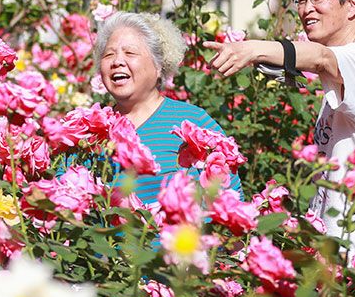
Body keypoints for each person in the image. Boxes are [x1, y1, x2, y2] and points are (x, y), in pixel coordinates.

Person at [203, 0, 355, 251]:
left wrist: (253, 49)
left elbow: (321, 57)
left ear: (352, 4)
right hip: (339, 243)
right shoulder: (350, 65)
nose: (306, 9)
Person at [94, 11, 243, 207]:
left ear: (159, 66)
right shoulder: (92, 129)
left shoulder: (193, 123)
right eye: (109, 54)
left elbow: (231, 202)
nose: (117, 62)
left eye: (129, 53)